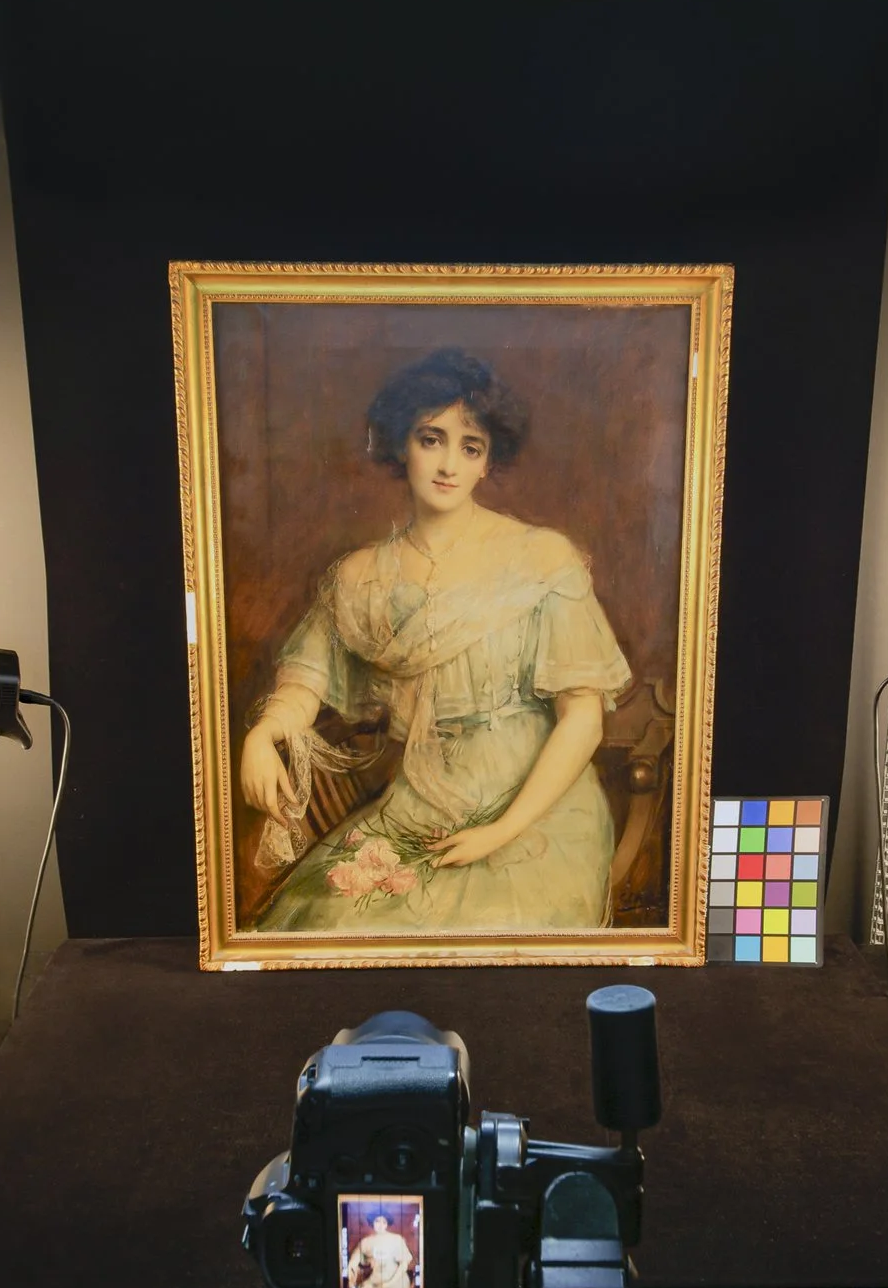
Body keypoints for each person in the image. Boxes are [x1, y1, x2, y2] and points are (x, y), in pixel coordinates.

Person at [240, 348, 632, 932]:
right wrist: (263, 733)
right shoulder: (360, 576)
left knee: (490, 926)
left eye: (469, 447)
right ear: (402, 445)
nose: (448, 463)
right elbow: (307, 678)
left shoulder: (540, 558)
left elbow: (583, 718)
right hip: (421, 802)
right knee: (322, 921)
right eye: (431, 438)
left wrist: (502, 829)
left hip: (539, 810)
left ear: (486, 462)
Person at [345, 1212, 418, 1288]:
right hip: (374, 1282)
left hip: (396, 1282)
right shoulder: (365, 1242)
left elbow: (404, 1264)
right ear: (372, 1222)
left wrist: (388, 1284)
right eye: (377, 1221)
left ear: (387, 1224)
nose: (380, 1225)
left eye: (384, 1222)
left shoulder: (396, 1239)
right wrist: (351, 1280)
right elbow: (353, 1263)